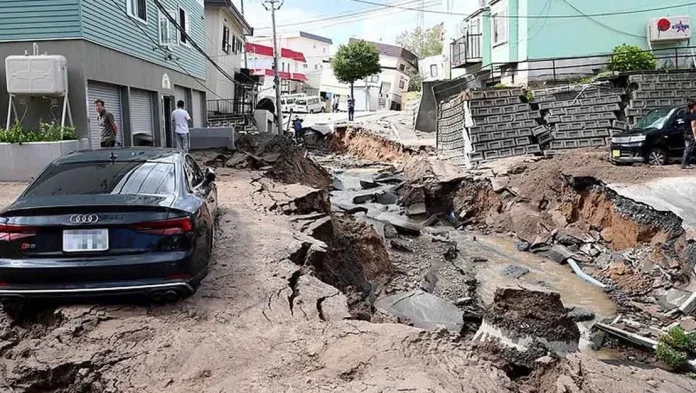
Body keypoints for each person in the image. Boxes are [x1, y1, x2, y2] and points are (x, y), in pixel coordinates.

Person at [683, 100, 696, 169]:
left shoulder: (686, 114)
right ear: (694, 106)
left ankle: (685, 163)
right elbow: (693, 126)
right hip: (690, 134)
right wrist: (695, 136)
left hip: (685, 133)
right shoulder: (693, 116)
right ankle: (685, 164)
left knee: (687, 149)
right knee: (689, 149)